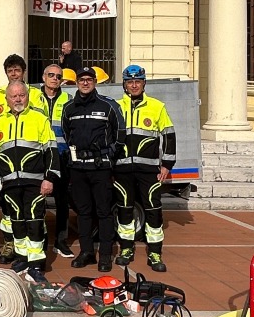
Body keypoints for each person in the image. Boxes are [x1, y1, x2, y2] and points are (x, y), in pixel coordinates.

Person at [0, 80, 58, 283]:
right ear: (7, 99)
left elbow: (51, 151)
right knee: (16, 222)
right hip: (9, 184)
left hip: (35, 182)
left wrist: (49, 178)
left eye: (21, 95)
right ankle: (23, 258)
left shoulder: (39, 119)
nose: (18, 99)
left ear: (27, 97)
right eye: (13, 96)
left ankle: (36, 263)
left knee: (34, 222)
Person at [114, 64, 176, 273]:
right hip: (121, 169)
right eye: (130, 82)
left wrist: (167, 164)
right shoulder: (116, 107)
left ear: (144, 83)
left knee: (153, 209)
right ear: (124, 85)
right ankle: (126, 249)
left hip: (149, 170)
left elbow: (169, 135)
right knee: (124, 209)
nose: (134, 85)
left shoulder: (157, 106)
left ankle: (155, 252)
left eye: (138, 81)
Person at [62, 66, 123, 271]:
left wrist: (109, 154)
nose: (85, 83)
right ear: (77, 83)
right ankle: (86, 252)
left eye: (89, 79)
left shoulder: (108, 106)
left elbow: (120, 134)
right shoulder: (69, 108)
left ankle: (105, 255)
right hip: (78, 168)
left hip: (101, 168)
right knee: (83, 212)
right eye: (82, 79)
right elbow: (66, 133)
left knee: (104, 212)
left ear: (95, 82)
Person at [0, 54, 43, 262]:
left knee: (33, 214)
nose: (14, 74)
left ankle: (34, 255)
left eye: (17, 70)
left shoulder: (35, 94)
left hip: (30, 167)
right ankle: (11, 245)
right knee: (10, 211)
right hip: (6, 163)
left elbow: (36, 118)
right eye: (10, 71)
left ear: (23, 72)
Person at [33, 64, 73, 259]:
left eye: (58, 76)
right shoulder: (33, 97)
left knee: (62, 201)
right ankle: (39, 241)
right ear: (43, 77)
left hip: (61, 156)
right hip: (38, 155)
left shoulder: (69, 99)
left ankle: (61, 242)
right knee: (37, 200)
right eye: (51, 75)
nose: (55, 79)